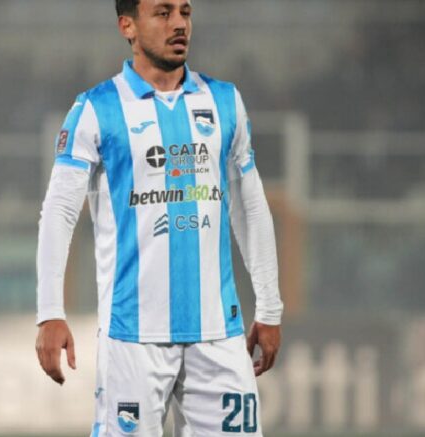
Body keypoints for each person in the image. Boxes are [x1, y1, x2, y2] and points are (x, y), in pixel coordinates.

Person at [35, 0, 283, 435]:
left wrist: (269, 307)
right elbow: (58, 211)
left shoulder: (224, 101)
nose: (179, 24)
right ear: (127, 26)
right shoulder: (96, 109)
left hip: (219, 334)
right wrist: (49, 311)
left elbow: (250, 206)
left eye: (185, 12)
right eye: (163, 13)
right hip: (132, 337)